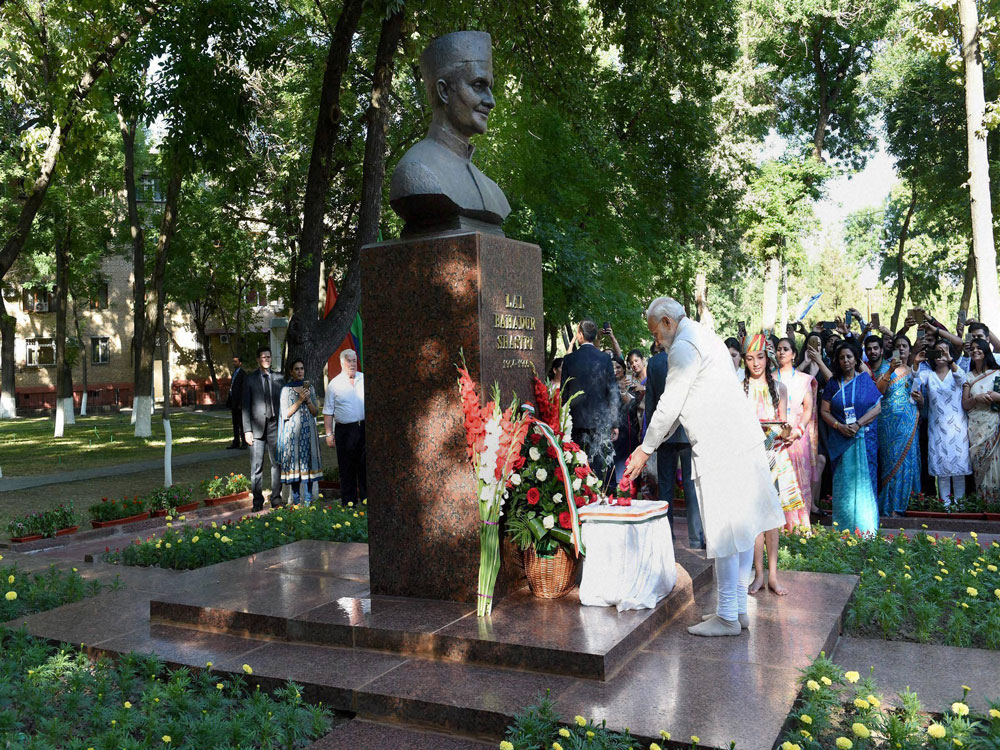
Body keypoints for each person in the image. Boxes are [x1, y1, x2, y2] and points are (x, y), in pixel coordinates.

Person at [625, 298, 784, 637]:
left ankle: (727, 616)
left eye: (656, 332)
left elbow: (668, 407)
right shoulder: (705, 335)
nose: (656, 342)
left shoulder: (683, 346)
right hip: (740, 439)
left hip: (722, 446)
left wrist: (644, 449)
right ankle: (737, 610)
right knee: (741, 530)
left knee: (728, 531)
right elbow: (677, 408)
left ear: (668, 322)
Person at [743, 334, 804, 597]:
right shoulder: (739, 389)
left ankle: (774, 576)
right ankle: (758, 575)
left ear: (767, 358)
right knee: (755, 520)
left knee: (772, 521)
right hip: (749, 458)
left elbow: (784, 429)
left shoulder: (779, 388)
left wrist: (787, 430)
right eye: (749, 358)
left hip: (774, 458)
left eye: (759, 357)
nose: (755, 363)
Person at [646, 341, 704, 549]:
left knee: (666, 486)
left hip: (664, 432)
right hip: (689, 431)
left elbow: (651, 403)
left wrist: (651, 435)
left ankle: (666, 537)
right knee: (691, 486)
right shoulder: (693, 358)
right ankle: (697, 538)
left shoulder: (655, 362)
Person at [820, 341, 881, 534]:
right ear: (837, 361)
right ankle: (843, 530)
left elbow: (877, 407)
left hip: (863, 438)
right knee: (844, 483)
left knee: (865, 482)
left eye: (849, 357)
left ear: (856, 359)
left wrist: (858, 424)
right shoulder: (832, 383)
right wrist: (839, 426)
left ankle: (867, 530)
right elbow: (824, 411)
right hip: (840, 439)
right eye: (841, 358)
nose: (846, 361)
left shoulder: (864, 380)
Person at [561, 320, 619, 488]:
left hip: (576, 422)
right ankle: (603, 502)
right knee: (600, 467)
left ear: (580, 335)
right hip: (600, 422)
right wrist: (614, 422)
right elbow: (612, 392)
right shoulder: (604, 359)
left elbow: (564, 393)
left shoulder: (570, 359)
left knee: (579, 468)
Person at [912, 340, 970, 502]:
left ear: (950, 353)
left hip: (958, 428)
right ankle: (944, 506)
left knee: (959, 471)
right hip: (937, 428)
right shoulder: (928, 375)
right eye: (938, 351)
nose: (941, 355)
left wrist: (950, 360)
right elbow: (916, 379)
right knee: (942, 471)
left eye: (945, 351)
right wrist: (916, 362)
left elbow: (962, 378)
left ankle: (959, 506)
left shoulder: (957, 372)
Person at [874, 335, 921, 516]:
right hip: (888, 425)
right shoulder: (885, 368)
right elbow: (878, 392)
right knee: (891, 464)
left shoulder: (912, 370)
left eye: (905, 346)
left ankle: (909, 506)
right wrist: (889, 372)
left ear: (910, 350)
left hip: (909, 423)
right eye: (898, 346)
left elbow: (919, 401)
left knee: (909, 463)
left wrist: (921, 399)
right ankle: (889, 507)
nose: (901, 349)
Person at [775, 337, 816, 529]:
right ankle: (780, 527)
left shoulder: (803, 379)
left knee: (799, 481)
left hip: (798, 437)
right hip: (775, 437)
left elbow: (808, 409)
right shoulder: (770, 378)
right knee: (778, 482)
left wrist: (798, 431)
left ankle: (801, 527)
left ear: (794, 354)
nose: (781, 352)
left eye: (785, 349)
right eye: (778, 349)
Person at [242, 345, 285, 512]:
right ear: (258, 360)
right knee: (256, 466)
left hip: (275, 426)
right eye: (263, 357)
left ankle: (276, 499)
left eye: (268, 357)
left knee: (277, 464)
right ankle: (257, 502)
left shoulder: (279, 378)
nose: (266, 360)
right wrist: (247, 430)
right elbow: (245, 406)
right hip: (256, 428)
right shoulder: (250, 379)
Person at [323, 350, 367, 505]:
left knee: (365, 468)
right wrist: (329, 434)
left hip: (363, 429)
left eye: (354, 360)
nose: (353, 364)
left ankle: (368, 503)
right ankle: (349, 505)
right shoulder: (334, 384)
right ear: (342, 363)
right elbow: (328, 412)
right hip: (344, 431)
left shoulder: (364, 379)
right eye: (349, 361)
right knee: (347, 469)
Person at [278, 359, 322, 504]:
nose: (300, 371)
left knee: (309, 467)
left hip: (309, 435)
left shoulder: (311, 389)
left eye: (302, 368)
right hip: (293, 436)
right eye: (296, 369)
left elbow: (315, 412)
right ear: (291, 372)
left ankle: (308, 502)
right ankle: (296, 503)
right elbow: (285, 413)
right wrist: (299, 400)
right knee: (295, 469)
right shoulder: (286, 390)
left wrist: (308, 400)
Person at [962, 339, 1000, 502]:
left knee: (994, 463)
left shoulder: (997, 373)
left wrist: (997, 397)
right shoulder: (968, 376)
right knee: (978, 462)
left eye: (979, 348)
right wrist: (976, 398)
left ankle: (995, 504)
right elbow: (965, 404)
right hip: (975, 427)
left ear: (986, 351)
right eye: (973, 348)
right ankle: (983, 502)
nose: (975, 351)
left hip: (993, 423)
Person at [225, 355, 248, 450]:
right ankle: (236, 442)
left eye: (235, 361)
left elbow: (243, 390)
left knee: (241, 424)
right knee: (235, 423)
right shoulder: (234, 373)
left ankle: (244, 442)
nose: (234, 363)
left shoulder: (243, 374)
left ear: (240, 363)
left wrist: (241, 403)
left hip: (239, 404)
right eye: (233, 361)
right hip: (233, 402)